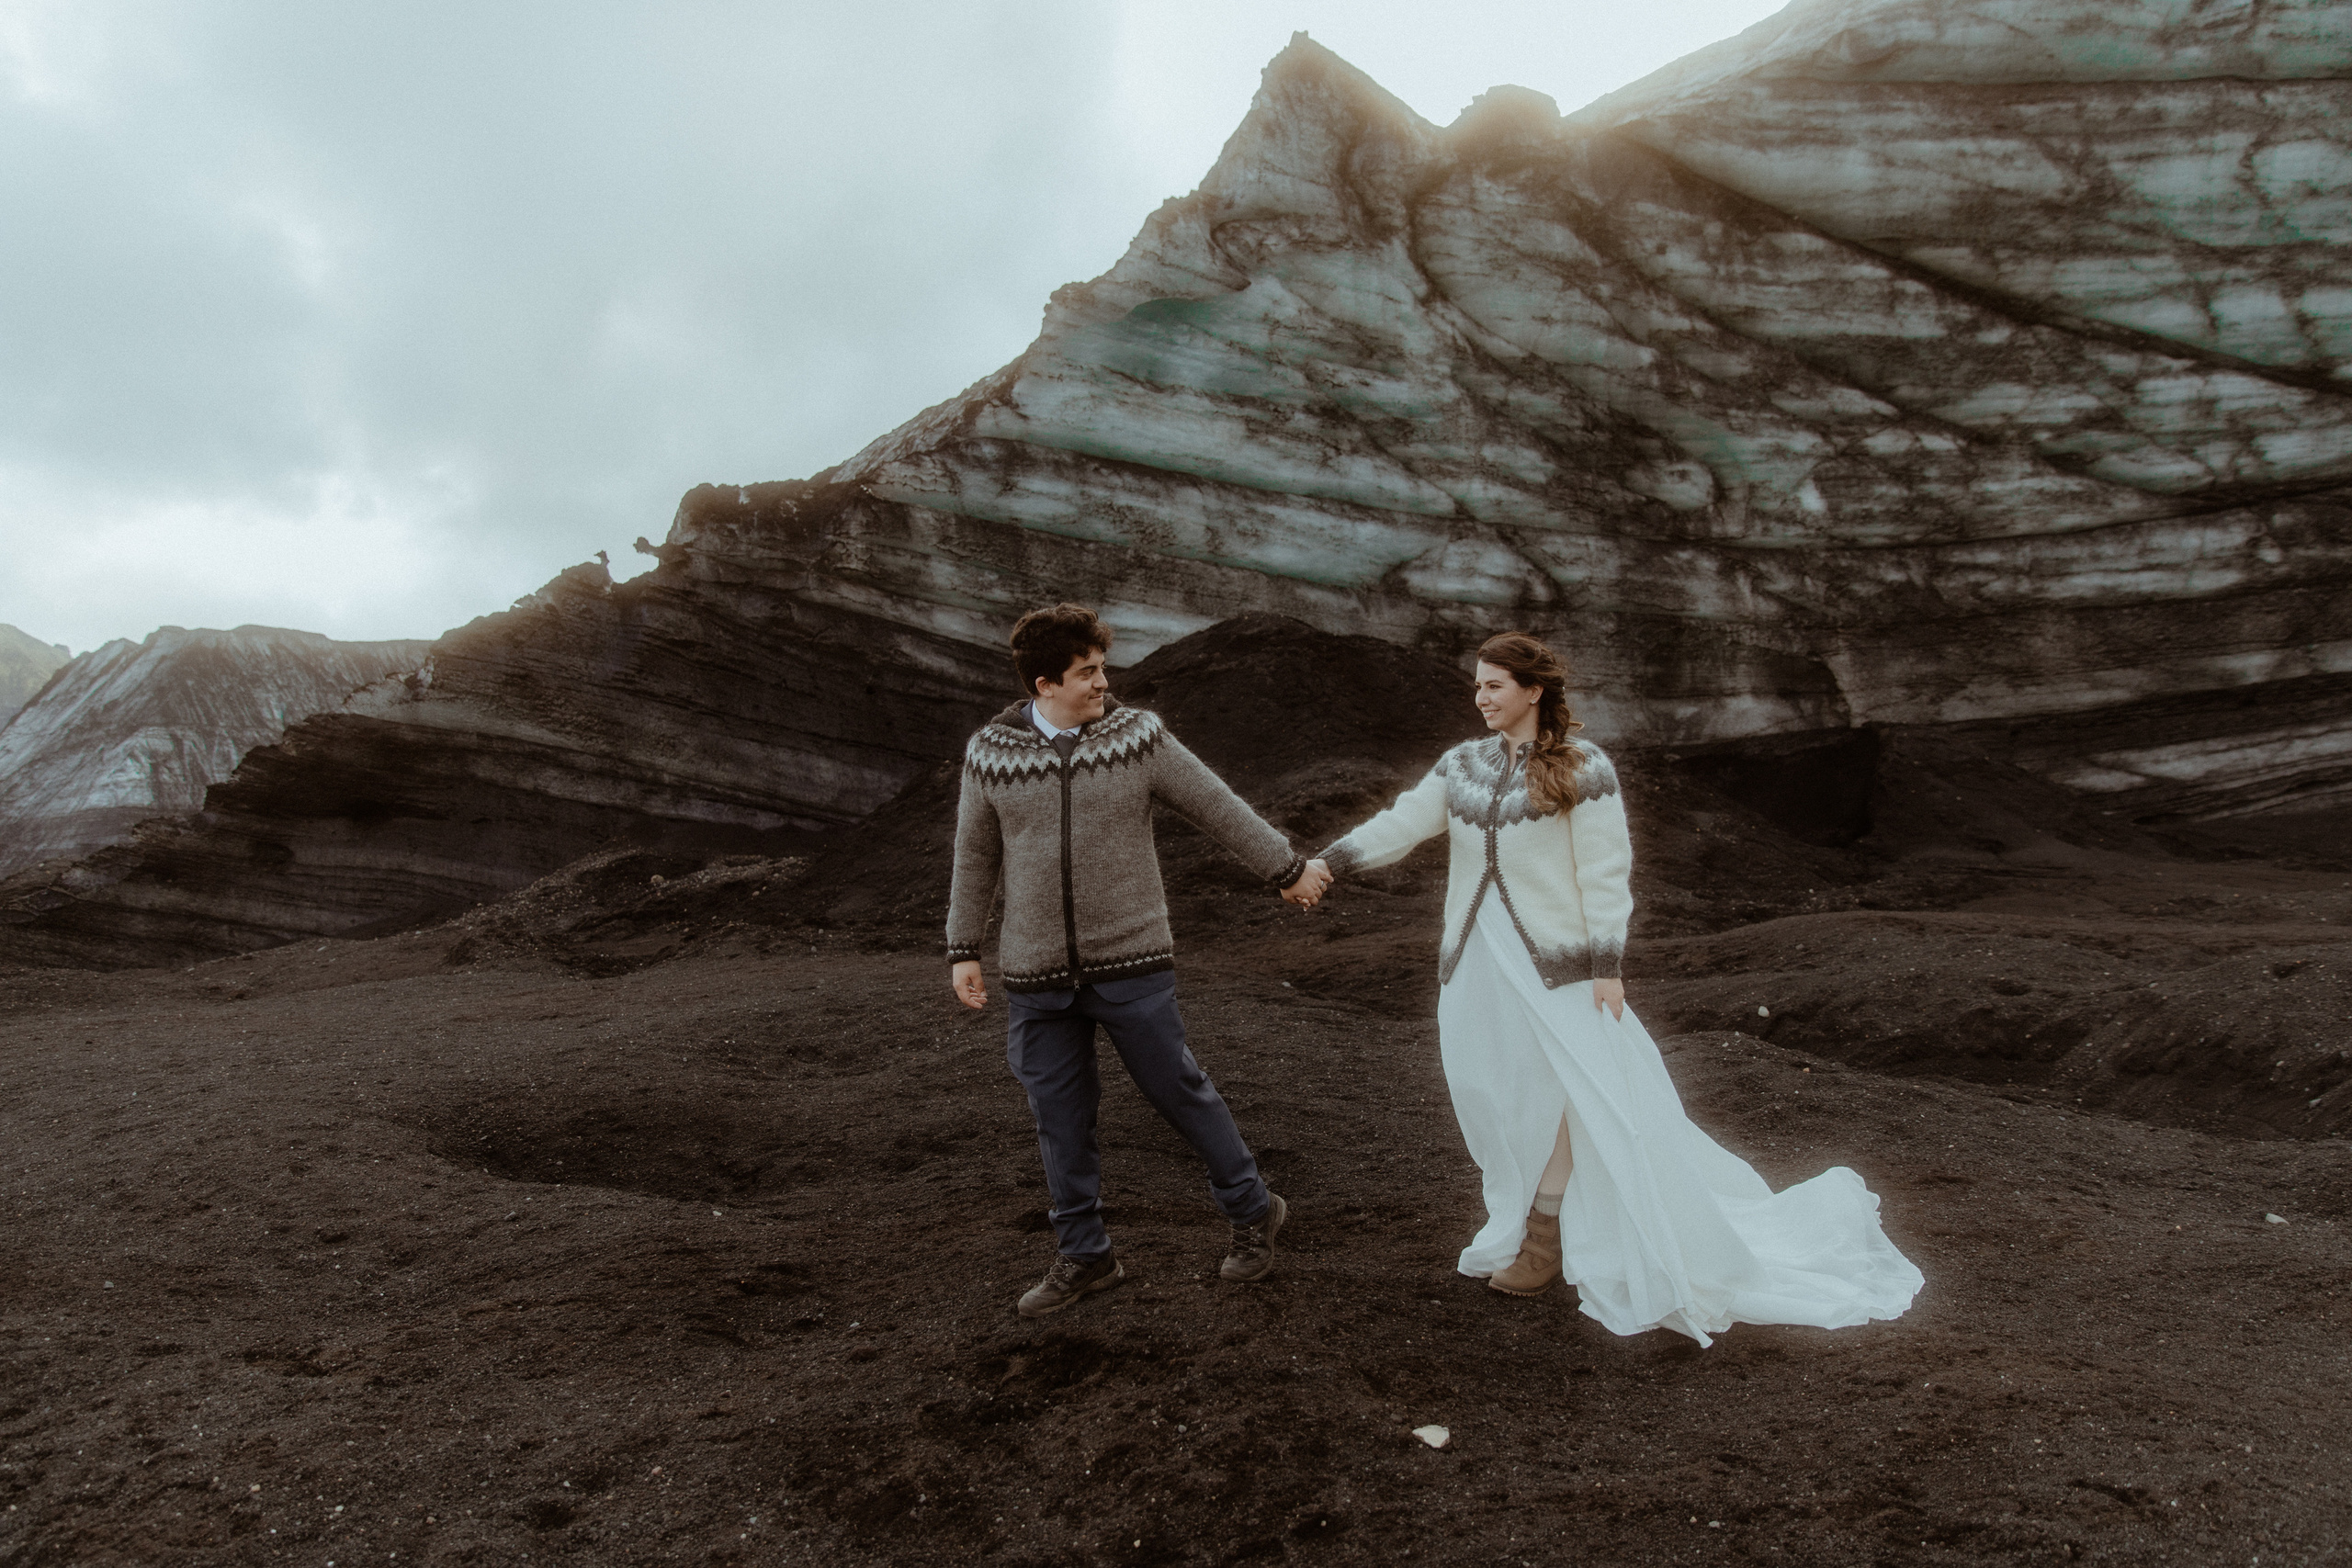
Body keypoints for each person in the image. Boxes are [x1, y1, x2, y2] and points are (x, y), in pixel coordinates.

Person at [1299, 632, 1922, 1346]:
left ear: (1533, 691)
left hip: (1559, 965)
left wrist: (1606, 964)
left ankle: (1544, 1234)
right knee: (1490, 1088)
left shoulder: (1584, 768)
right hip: (1476, 959)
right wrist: (1330, 862)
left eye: (1495, 685)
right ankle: (1520, 1213)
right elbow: (1401, 823)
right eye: (1476, 686)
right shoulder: (1460, 766)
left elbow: (1603, 871)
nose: (1482, 697)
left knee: (1572, 1087)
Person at [947, 603, 1333, 1318]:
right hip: (1034, 975)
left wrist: (1286, 868)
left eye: (1101, 668)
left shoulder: (1138, 739)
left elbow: (1216, 805)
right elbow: (976, 855)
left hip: (1131, 959)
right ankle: (1086, 1255)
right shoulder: (990, 755)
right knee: (1058, 1117)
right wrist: (962, 948)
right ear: (1044, 683)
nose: (1103, 682)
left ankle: (1253, 1209)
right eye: (1087, 672)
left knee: (1177, 1092)